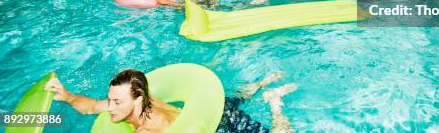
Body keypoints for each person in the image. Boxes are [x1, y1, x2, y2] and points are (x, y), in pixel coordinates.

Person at [44, 69, 297, 133]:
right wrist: (66, 95)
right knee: (237, 98)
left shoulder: (150, 126)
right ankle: (261, 83)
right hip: (201, 108)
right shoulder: (129, 105)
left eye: (117, 101)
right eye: (111, 99)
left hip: (216, 125)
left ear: (139, 101)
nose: (110, 106)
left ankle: (274, 100)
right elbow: (89, 106)